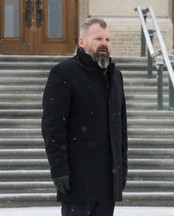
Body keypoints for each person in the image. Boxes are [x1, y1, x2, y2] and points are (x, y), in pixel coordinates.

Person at [41, 17, 128, 216]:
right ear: (82, 42)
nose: (104, 44)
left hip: (108, 182)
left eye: (107, 39)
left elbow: (120, 129)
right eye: (98, 39)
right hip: (77, 181)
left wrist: (121, 169)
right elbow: (52, 127)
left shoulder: (116, 77)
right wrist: (59, 169)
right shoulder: (63, 73)